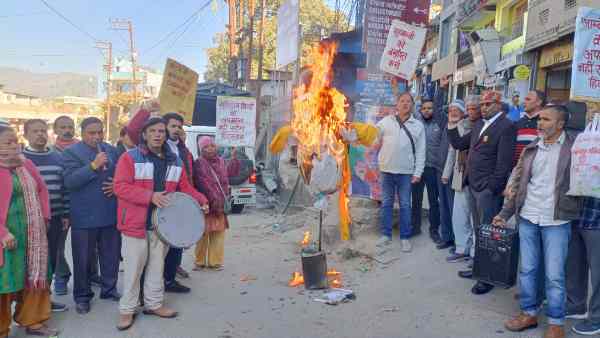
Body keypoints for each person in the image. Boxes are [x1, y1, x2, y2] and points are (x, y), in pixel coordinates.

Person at [493, 105, 581, 338]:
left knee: (554, 274)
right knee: (528, 269)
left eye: (545, 119)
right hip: (529, 216)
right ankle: (529, 313)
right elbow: (517, 185)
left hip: (557, 220)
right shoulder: (532, 149)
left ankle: (556, 323)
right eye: (539, 119)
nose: (539, 123)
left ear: (560, 124)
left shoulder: (574, 149)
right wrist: (504, 214)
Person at [113, 117, 209, 330]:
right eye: (153, 131)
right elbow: (120, 187)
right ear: (144, 134)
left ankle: (153, 304)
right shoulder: (130, 158)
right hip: (134, 224)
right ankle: (127, 310)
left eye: (161, 131)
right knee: (133, 270)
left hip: (162, 226)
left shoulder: (175, 161)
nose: (158, 135)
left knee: (157, 267)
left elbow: (185, 188)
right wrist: (150, 196)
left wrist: (202, 200)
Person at [447, 90, 517, 295]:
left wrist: (490, 188)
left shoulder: (506, 126)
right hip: (473, 185)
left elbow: (503, 164)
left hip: (487, 190)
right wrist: (452, 124)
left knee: (489, 233)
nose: (483, 108)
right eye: (482, 105)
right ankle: (478, 267)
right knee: (480, 231)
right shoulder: (479, 124)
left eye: (488, 104)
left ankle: (487, 277)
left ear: (498, 105)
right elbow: (460, 144)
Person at [0, 125, 59, 337]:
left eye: (15, 141)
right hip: (6, 237)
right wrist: (3, 233)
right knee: (5, 281)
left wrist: (44, 218)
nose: (14, 146)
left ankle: (33, 321)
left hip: (32, 234)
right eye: (8, 142)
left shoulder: (26, 164)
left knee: (35, 275)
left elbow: (42, 189)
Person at [63, 117, 121, 314]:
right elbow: (70, 182)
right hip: (84, 216)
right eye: (91, 133)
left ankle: (109, 289)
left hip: (109, 212)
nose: (96, 136)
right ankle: (82, 296)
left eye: (99, 132)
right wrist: (93, 166)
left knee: (111, 256)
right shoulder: (71, 152)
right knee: (83, 260)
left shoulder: (111, 149)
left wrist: (117, 186)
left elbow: (121, 175)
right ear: (82, 133)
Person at [22, 119, 70, 310]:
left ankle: (44, 301)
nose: (40, 134)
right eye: (35, 131)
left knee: (49, 261)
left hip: (56, 219)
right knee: (30, 262)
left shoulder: (58, 158)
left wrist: (66, 213)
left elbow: (65, 188)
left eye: (43, 131)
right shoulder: (20, 158)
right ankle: (27, 304)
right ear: (26, 135)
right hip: (29, 220)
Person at [375, 92, 426, 253]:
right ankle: (386, 234)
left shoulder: (418, 126)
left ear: (412, 105)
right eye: (402, 101)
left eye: (408, 101)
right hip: (386, 170)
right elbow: (373, 138)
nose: (405, 104)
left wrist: (418, 172)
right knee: (387, 204)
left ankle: (405, 237)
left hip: (406, 172)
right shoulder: (385, 122)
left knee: (405, 205)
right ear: (397, 104)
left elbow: (421, 151)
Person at [193, 136, 240, 271]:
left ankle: (215, 262)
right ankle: (200, 262)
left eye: (212, 146)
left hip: (220, 204)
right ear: (201, 149)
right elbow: (203, 184)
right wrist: (214, 201)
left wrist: (234, 158)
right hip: (207, 204)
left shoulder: (221, 161)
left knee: (218, 234)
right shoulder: (199, 163)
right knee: (203, 234)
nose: (210, 149)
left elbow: (231, 173)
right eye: (206, 147)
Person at [443, 97, 480, 263]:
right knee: (459, 214)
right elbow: (454, 149)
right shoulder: (460, 125)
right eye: (469, 108)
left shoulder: (482, 126)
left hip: (477, 179)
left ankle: (474, 252)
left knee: (474, 218)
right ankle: (461, 248)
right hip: (460, 174)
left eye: (474, 109)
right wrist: (446, 172)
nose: (471, 112)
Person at [162, 112, 195, 293]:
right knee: (162, 246)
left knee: (177, 243)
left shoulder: (180, 148)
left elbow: (188, 172)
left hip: (181, 200)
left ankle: (170, 277)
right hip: (164, 201)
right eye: (172, 126)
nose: (176, 130)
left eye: (179, 127)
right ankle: (160, 281)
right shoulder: (160, 147)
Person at [411, 98, 443, 245]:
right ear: (420, 110)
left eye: (430, 108)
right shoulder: (417, 123)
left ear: (434, 109)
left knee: (433, 201)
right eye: (424, 108)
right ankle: (415, 227)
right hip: (418, 168)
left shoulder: (439, 123)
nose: (427, 110)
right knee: (416, 200)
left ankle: (434, 230)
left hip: (432, 168)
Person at [567, 196, 600, 336]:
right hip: (577, 216)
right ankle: (576, 306)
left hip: (597, 221)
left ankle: (596, 319)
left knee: (598, 274)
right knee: (574, 266)